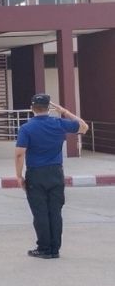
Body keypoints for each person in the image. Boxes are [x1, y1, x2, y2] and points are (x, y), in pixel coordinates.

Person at [15, 94, 88, 259]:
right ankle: (54, 249)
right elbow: (83, 127)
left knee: (40, 212)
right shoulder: (59, 123)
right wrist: (64, 112)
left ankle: (44, 248)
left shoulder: (26, 128)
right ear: (49, 108)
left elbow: (20, 154)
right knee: (55, 211)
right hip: (55, 172)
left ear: (32, 108)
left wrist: (19, 176)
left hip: (36, 173)